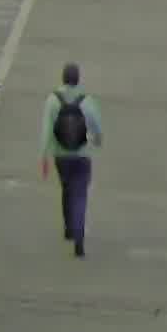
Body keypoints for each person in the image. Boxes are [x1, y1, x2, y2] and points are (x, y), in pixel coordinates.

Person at [41, 61, 105, 257]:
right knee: (80, 194)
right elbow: (96, 128)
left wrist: (44, 156)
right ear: (78, 79)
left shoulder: (53, 100)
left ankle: (69, 227)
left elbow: (46, 131)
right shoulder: (87, 101)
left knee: (67, 189)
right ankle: (79, 232)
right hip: (82, 154)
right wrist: (97, 141)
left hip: (61, 155)